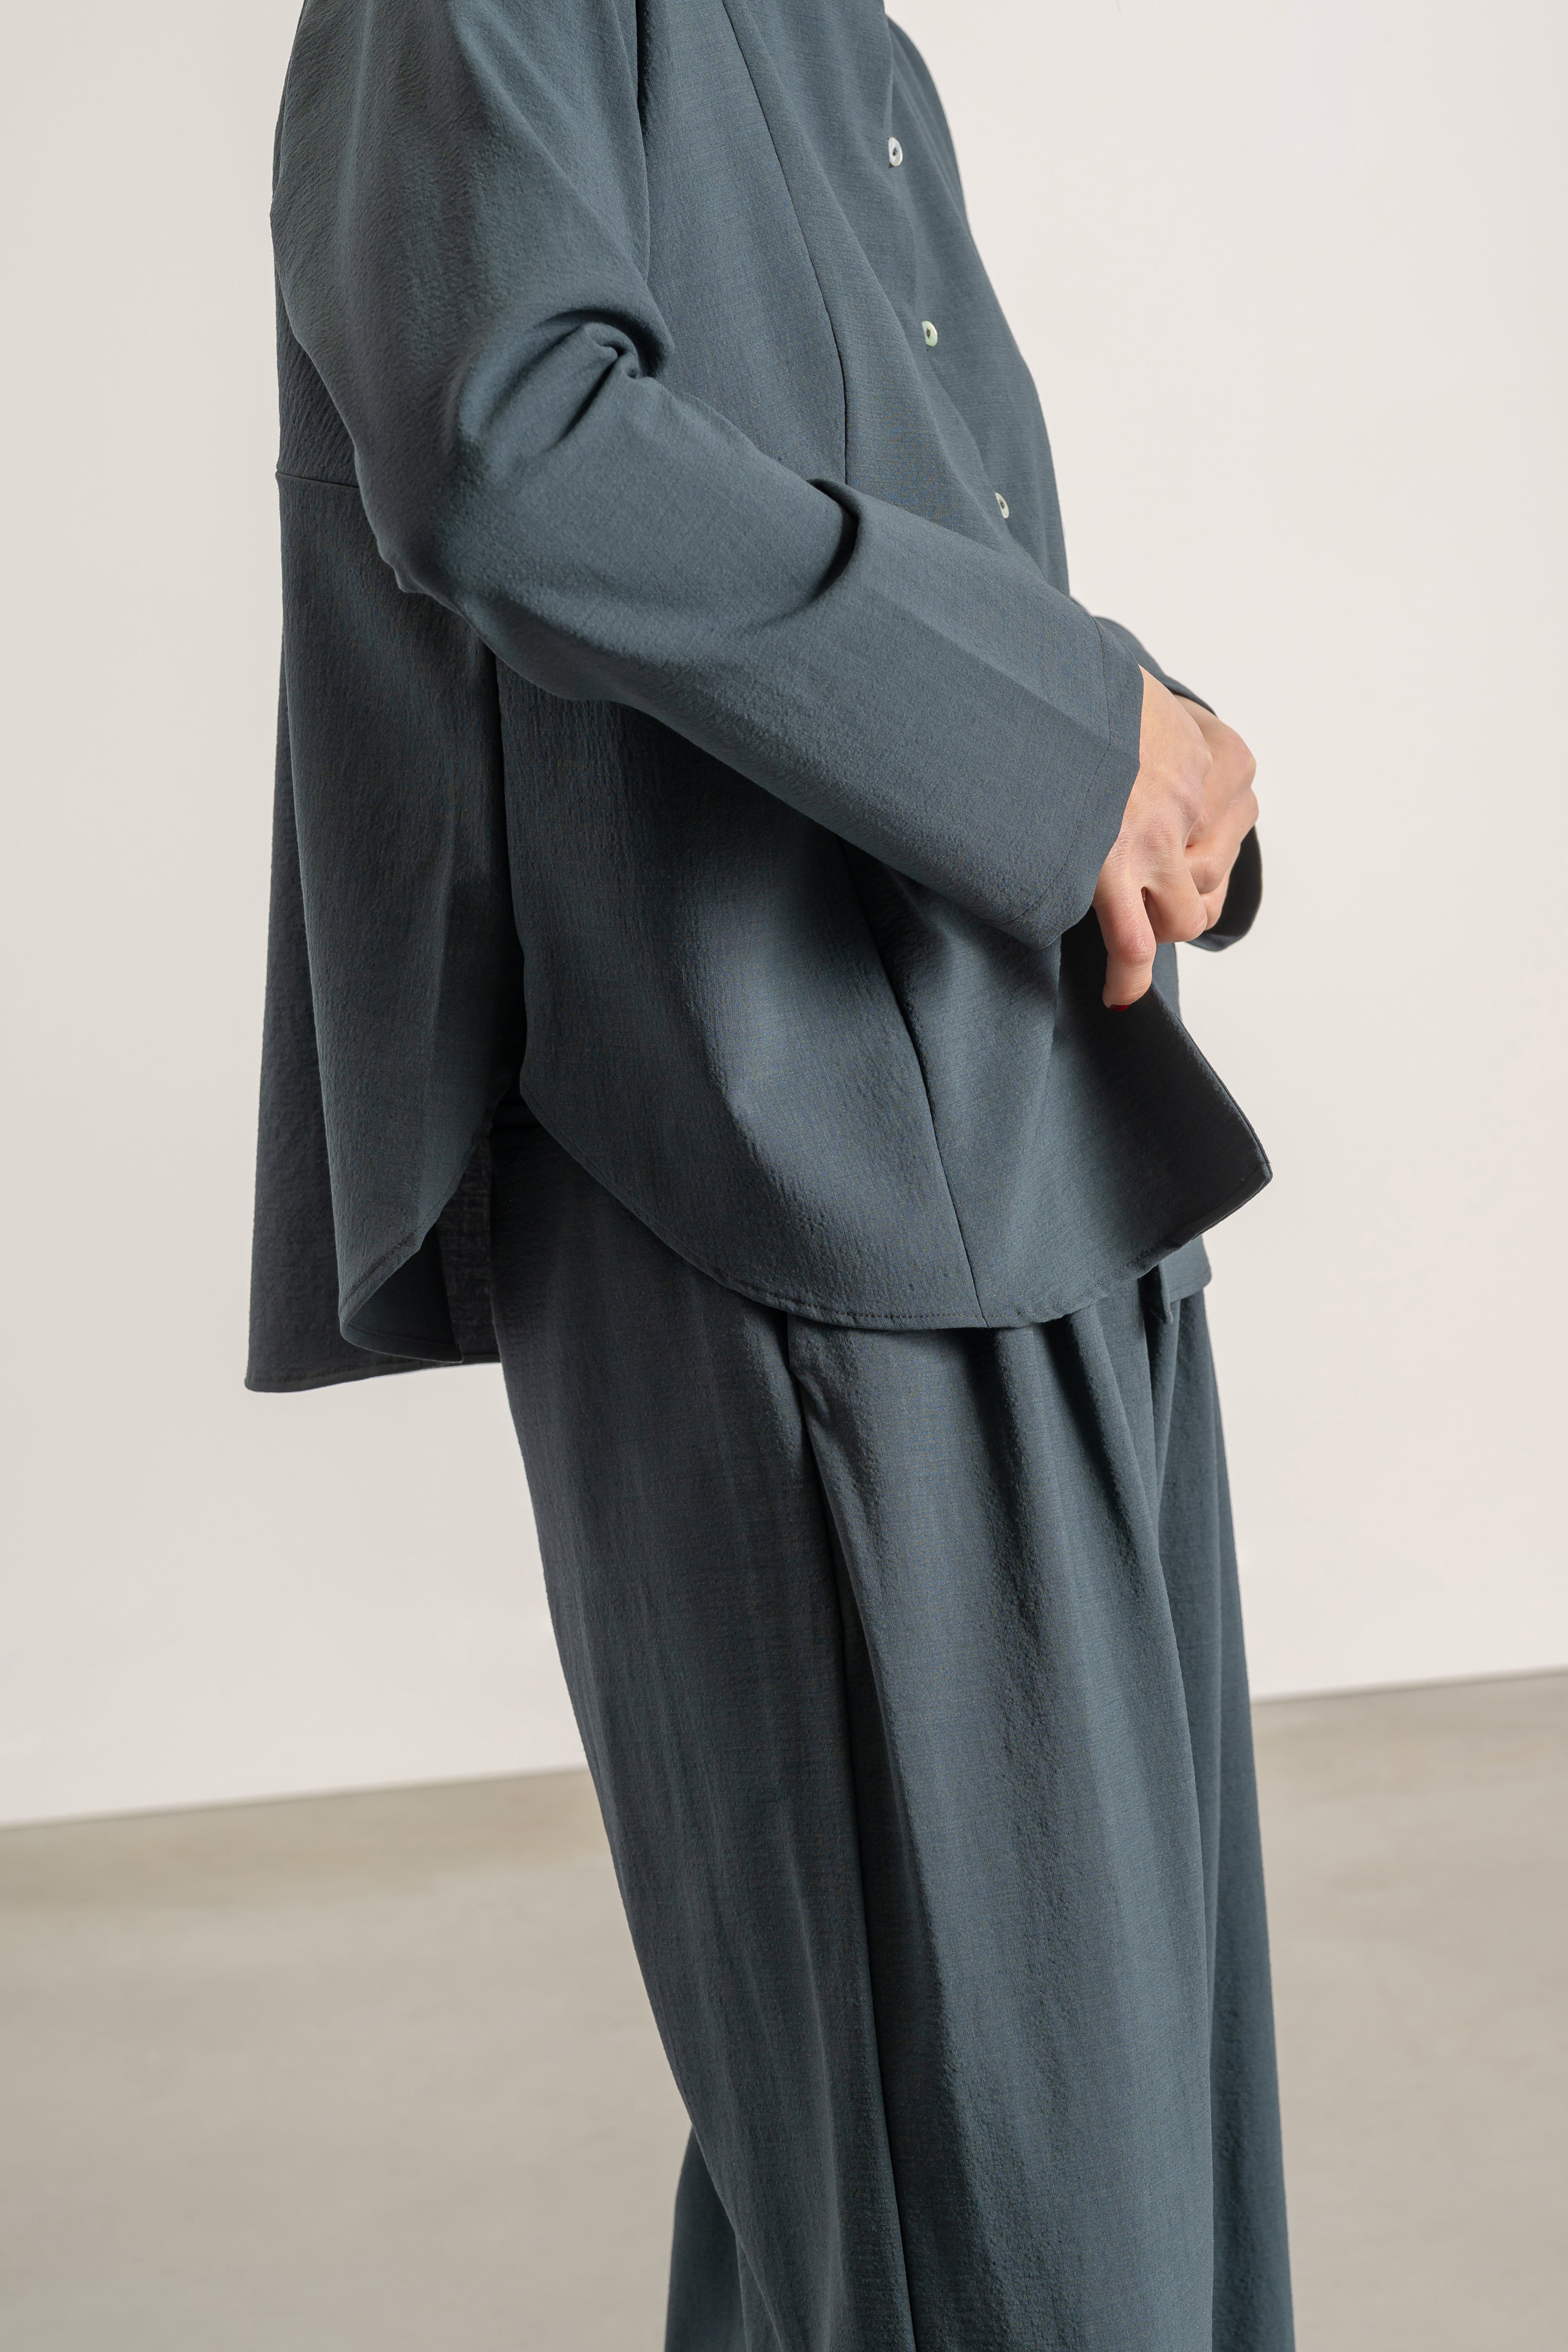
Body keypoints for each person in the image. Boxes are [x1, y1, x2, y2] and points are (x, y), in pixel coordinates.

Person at [248, 0, 1293, 2344]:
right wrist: (1068, 735)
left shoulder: (841, 37)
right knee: (1014, 2230)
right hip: (786, 1173)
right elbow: (513, 449)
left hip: (1047, 1137)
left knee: (1062, 2175)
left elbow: (874, 490)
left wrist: (1145, 750)